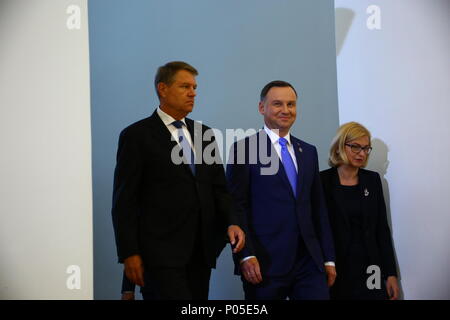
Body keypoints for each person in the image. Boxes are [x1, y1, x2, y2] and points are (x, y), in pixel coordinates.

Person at [111, 61, 245, 300]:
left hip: (201, 253)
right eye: (185, 86)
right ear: (163, 89)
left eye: (194, 87)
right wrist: (129, 252)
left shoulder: (204, 135)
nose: (193, 93)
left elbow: (219, 189)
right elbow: (125, 200)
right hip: (158, 255)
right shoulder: (136, 136)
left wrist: (231, 222)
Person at [226, 80, 336, 300]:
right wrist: (245, 256)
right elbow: (236, 208)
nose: (286, 110)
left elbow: (318, 208)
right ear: (262, 108)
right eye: (278, 104)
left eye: (291, 104)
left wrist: (328, 259)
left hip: (309, 263)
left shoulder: (309, 152)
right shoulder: (244, 149)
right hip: (265, 263)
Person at [320, 122, 399, 300]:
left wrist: (390, 274)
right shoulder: (321, 181)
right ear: (340, 146)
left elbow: (381, 230)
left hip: (372, 268)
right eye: (355, 147)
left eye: (366, 148)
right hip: (336, 269)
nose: (362, 153)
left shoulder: (372, 180)